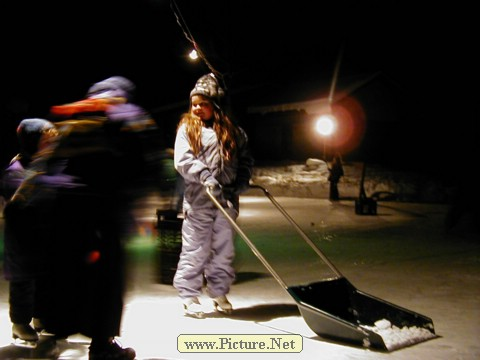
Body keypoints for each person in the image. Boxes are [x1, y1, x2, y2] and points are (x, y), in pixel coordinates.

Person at [43, 75, 160, 360]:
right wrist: (136, 202)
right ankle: (102, 345)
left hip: (65, 210)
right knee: (107, 278)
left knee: (67, 273)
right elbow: (145, 164)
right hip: (105, 210)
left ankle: (51, 335)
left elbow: (48, 162)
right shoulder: (129, 116)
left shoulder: (73, 118)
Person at [173, 73, 254, 318]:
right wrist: (206, 176)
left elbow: (245, 160)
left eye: (203, 104)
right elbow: (183, 159)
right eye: (194, 104)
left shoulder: (233, 131)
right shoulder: (188, 128)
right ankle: (189, 294)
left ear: (215, 106)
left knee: (223, 250)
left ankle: (218, 291)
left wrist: (241, 180)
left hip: (226, 201)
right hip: (199, 201)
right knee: (196, 248)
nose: (197, 108)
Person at [1, 118, 60, 346]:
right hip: (22, 238)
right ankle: (20, 323)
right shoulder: (16, 170)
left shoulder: (44, 165)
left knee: (45, 278)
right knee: (23, 281)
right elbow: (19, 201)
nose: (51, 146)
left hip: (43, 234)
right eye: (46, 141)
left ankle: (40, 316)